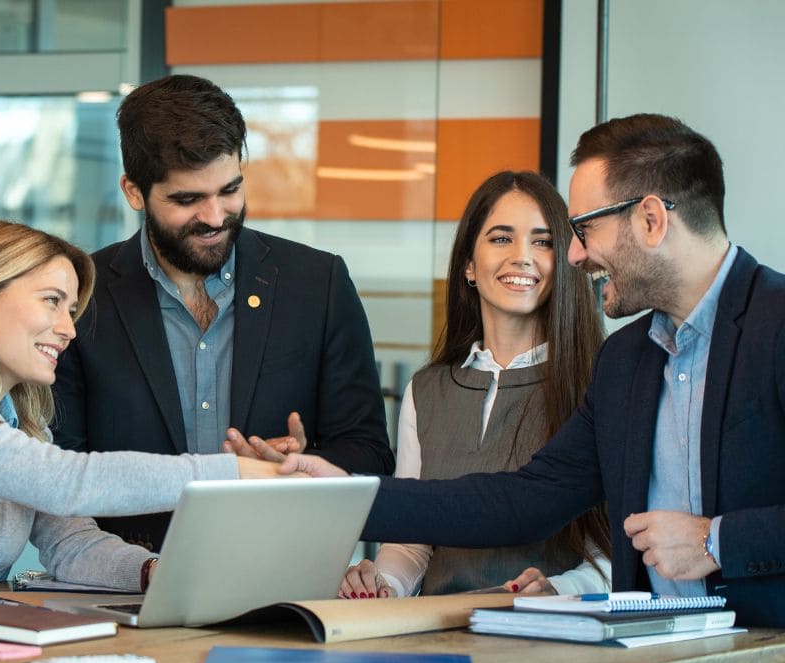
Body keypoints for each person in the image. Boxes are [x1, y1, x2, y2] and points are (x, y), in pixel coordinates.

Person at [283, 114, 785, 627]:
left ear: (651, 220)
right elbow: (520, 500)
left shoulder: (777, 322)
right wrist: (343, 494)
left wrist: (715, 540)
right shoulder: (627, 361)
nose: (574, 254)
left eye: (584, 228)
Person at [51, 73, 393, 550]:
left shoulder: (318, 284)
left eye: (229, 190)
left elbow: (371, 453)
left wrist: (297, 464)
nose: (215, 217)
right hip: (123, 585)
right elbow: (60, 467)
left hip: (285, 573)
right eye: (187, 200)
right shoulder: (82, 295)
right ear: (134, 192)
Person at [0, 221, 280, 591]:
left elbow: (73, 544)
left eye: (70, 310)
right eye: (52, 301)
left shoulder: (21, 429)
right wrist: (235, 472)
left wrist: (154, 573)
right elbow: (66, 482)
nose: (68, 329)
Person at [340, 172, 611, 599]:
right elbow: (413, 540)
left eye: (542, 242)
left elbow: (612, 551)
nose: (522, 257)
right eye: (501, 238)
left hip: (552, 640)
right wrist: (383, 584)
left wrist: (560, 589)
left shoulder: (599, 382)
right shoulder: (425, 390)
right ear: (469, 263)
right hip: (435, 638)